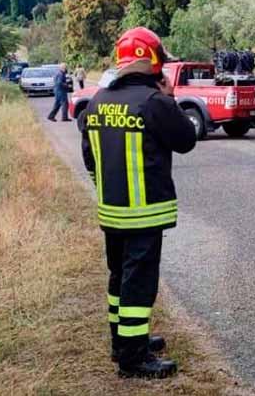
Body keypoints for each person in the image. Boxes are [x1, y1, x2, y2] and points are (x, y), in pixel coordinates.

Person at [78, 27, 197, 379]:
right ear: (153, 61)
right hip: (144, 212)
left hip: (112, 210)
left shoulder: (98, 100)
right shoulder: (154, 102)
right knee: (139, 282)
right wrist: (171, 98)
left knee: (119, 278)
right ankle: (134, 360)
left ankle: (123, 342)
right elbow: (186, 139)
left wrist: (106, 189)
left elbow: (89, 155)